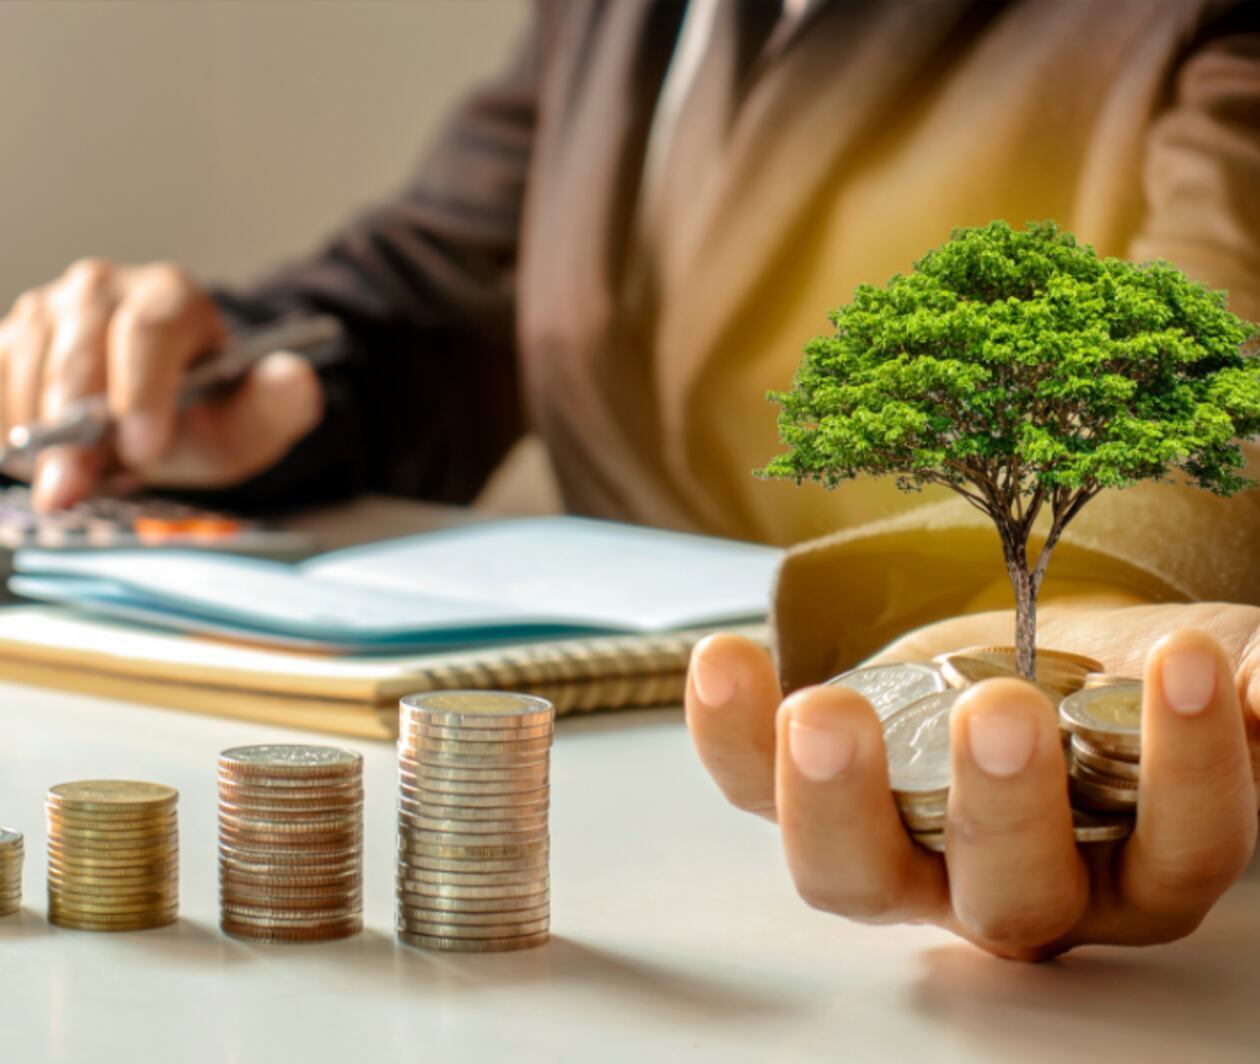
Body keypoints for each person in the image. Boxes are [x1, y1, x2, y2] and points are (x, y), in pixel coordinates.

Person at [0, 0, 1257, 958]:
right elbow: (448, 292)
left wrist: (1079, 590)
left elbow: (1221, 335)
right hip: (642, 844)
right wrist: (254, 378)